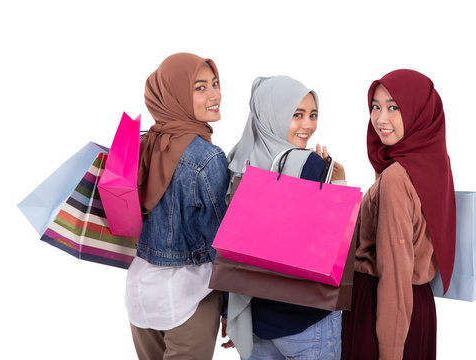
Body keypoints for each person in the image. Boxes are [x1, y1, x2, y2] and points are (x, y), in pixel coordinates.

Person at [225, 75, 345, 360]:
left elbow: (226, 248)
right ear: (273, 114)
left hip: (256, 322)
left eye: (312, 115)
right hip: (307, 321)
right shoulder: (311, 165)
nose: (308, 126)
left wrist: (228, 312)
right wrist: (336, 181)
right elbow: (340, 241)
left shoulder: (238, 164)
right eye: (297, 115)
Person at [341, 69, 456, 360]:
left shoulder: (395, 178)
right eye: (375, 107)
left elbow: (394, 273)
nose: (381, 119)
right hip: (417, 309)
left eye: (394, 107)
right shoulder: (431, 163)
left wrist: (390, 352)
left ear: (418, 110)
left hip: (384, 312)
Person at [124, 53, 229, 360]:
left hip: (140, 294)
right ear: (176, 94)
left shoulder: (142, 145)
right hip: (188, 297)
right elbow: (219, 246)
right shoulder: (208, 159)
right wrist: (233, 309)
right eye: (199, 88)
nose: (215, 95)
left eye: (215, 83)